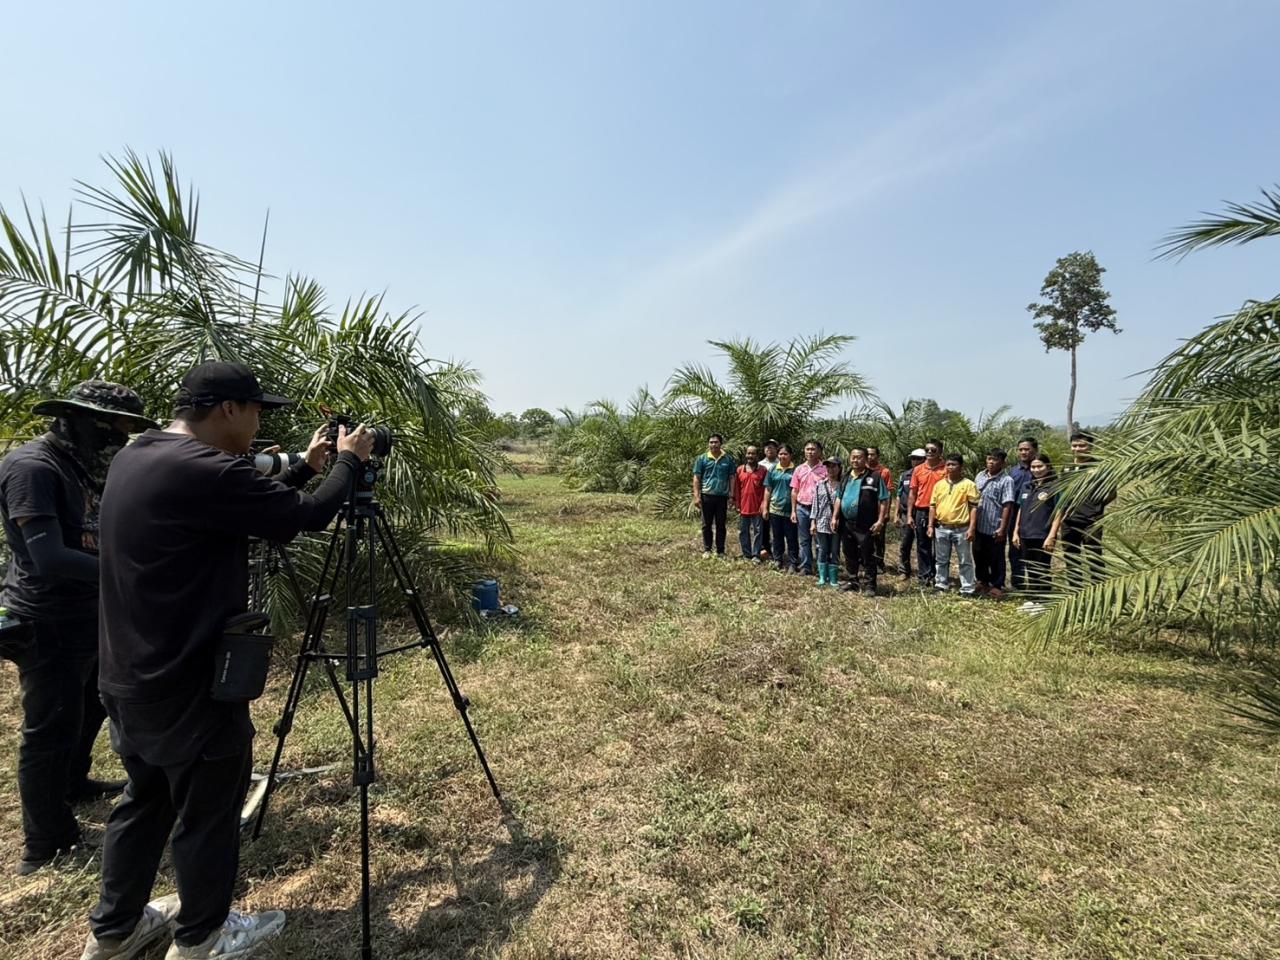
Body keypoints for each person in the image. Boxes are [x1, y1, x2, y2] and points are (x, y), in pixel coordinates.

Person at [81, 362, 376, 960]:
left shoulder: (139, 455)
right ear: (228, 409)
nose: (258, 425)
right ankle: (203, 938)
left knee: (145, 800)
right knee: (209, 811)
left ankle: (115, 931)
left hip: (129, 673)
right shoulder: (209, 470)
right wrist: (349, 460)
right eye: (257, 412)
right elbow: (306, 516)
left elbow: (241, 504)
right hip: (189, 681)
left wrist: (304, 466)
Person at [0, 382, 155, 877]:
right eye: (117, 428)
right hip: (46, 618)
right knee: (50, 726)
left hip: (89, 611)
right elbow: (48, 557)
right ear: (83, 421)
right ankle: (45, 840)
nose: (122, 439)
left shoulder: (82, 466)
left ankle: (73, 783)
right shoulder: (33, 469)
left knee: (90, 705)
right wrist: (133, 572)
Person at [1060, 431, 1115, 587]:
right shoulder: (1067, 468)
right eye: (1074, 446)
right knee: (1071, 558)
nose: (1077, 449)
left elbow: (1112, 493)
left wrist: (1096, 506)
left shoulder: (1100, 467)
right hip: (1069, 521)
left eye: (1082, 446)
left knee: (1093, 556)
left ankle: (1098, 590)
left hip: (1092, 520)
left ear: (1091, 446)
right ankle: (1076, 591)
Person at [1013, 454, 1064, 611]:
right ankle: (1033, 599)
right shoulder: (1027, 486)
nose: (1036, 470)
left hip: (1043, 534)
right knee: (1029, 566)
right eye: (1033, 467)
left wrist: (1052, 535)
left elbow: (1059, 512)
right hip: (1025, 533)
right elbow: (1021, 509)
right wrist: (1015, 531)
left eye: (1040, 466)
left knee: (1042, 567)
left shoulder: (1055, 486)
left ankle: (1044, 600)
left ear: (1048, 467)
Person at [834, 447, 889, 595]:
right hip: (847, 523)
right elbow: (839, 497)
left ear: (865, 459)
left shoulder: (874, 477)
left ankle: (870, 585)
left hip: (865, 524)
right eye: (853, 457)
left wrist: (880, 521)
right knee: (849, 552)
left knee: (867, 554)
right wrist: (835, 517)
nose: (855, 460)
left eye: (859, 457)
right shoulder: (846, 477)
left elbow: (884, 499)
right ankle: (852, 581)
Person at [928, 454, 980, 595]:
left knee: (964, 560)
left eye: (953, 464)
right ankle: (941, 584)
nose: (950, 467)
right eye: (948, 464)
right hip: (942, 528)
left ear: (961, 467)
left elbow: (974, 508)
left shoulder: (969, 485)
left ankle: (967, 588)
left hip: (961, 529)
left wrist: (971, 528)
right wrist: (930, 526)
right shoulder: (939, 485)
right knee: (941, 559)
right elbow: (932, 506)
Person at [973, 449, 1016, 599]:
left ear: (1003, 463)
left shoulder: (1006, 480)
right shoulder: (980, 475)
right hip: (979, 524)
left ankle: (997, 585)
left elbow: (1007, 505)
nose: (991, 462)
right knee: (979, 555)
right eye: (989, 459)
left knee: (996, 557)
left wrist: (1003, 528)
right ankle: (982, 580)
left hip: (994, 526)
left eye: (995, 459)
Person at [907, 439, 947, 587]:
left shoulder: (946, 469)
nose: (930, 452)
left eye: (933, 450)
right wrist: (909, 515)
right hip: (922, 511)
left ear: (940, 452)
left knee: (940, 546)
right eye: (927, 450)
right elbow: (913, 493)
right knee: (922, 544)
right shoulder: (918, 470)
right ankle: (924, 575)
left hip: (941, 512)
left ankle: (938, 575)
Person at [692, 434, 736, 558]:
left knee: (721, 524)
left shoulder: (728, 459)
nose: (713, 444)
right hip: (707, 495)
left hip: (722, 496)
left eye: (716, 442)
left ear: (721, 443)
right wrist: (696, 496)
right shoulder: (702, 459)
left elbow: (732, 477)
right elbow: (697, 477)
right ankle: (707, 549)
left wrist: (732, 495)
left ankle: (720, 551)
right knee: (706, 524)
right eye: (711, 442)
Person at [790, 440, 828, 576]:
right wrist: (793, 510)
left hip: (819, 510)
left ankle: (821, 568)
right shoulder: (799, 469)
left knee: (819, 541)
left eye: (813, 449)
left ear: (819, 452)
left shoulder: (825, 469)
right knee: (804, 540)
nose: (810, 452)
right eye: (807, 449)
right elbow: (794, 490)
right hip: (802, 508)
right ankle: (806, 567)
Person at [1007, 437, 1038, 591]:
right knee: (1015, 549)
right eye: (1021, 449)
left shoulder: (1041, 469)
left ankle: (1036, 584)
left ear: (1035, 450)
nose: (1023, 452)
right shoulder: (1013, 472)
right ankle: (1017, 583)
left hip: (1035, 515)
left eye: (1027, 449)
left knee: (1034, 550)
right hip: (1014, 514)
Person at [762, 445, 798, 572]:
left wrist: (794, 510)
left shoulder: (795, 470)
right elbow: (768, 489)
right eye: (781, 454)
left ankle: (793, 562)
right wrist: (765, 507)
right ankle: (778, 559)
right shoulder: (772, 469)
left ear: (790, 455)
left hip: (790, 510)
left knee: (792, 537)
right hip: (775, 509)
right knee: (777, 537)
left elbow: (796, 490)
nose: (783, 456)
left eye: (785, 454)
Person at [809, 458, 842, 588]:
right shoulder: (820, 484)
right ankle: (822, 577)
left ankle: (833, 578)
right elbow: (815, 504)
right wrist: (813, 522)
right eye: (828, 467)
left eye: (834, 467)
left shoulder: (843, 485)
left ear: (839, 468)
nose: (831, 470)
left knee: (834, 550)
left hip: (837, 523)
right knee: (822, 549)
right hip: (822, 521)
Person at [894, 449, 925, 581]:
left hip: (921, 513)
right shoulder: (905, 475)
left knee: (922, 545)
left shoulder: (927, 474)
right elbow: (899, 494)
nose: (915, 461)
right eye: (913, 458)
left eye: (918, 458)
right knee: (905, 543)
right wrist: (896, 514)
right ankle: (904, 570)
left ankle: (924, 572)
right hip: (906, 514)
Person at [735, 446, 767, 561]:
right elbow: (736, 489)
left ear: (757, 456)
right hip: (743, 506)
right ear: (746, 455)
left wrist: (764, 504)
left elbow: (766, 489)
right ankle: (746, 554)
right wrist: (737, 504)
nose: (750, 456)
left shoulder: (763, 470)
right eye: (748, 453)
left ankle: (756, 554)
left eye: (753, 454)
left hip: (757, 507)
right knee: (743, 531)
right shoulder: (740, 470)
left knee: (758, 531)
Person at [865, 446, 893, 573]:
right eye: (868, 454)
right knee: (865, 538)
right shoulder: (862, 470)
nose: (870, 457)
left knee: (879, 539)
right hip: (865, 511)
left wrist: (886, 512)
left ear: (877, 456)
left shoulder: (884, 472)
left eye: (872, 454)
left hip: (879, 511)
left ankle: (879, 563)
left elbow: (888, 493)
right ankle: (865, 562)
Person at [758, 440, 779, 559]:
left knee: (777, 528)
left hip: (778, 500)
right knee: (764, 526)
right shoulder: (760, 464)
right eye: (767, 447)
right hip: (763, 500)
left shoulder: (781, 463)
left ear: (777, 450)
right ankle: (765, 549)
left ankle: (777, 551)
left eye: (772, 447)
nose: (769, 449)